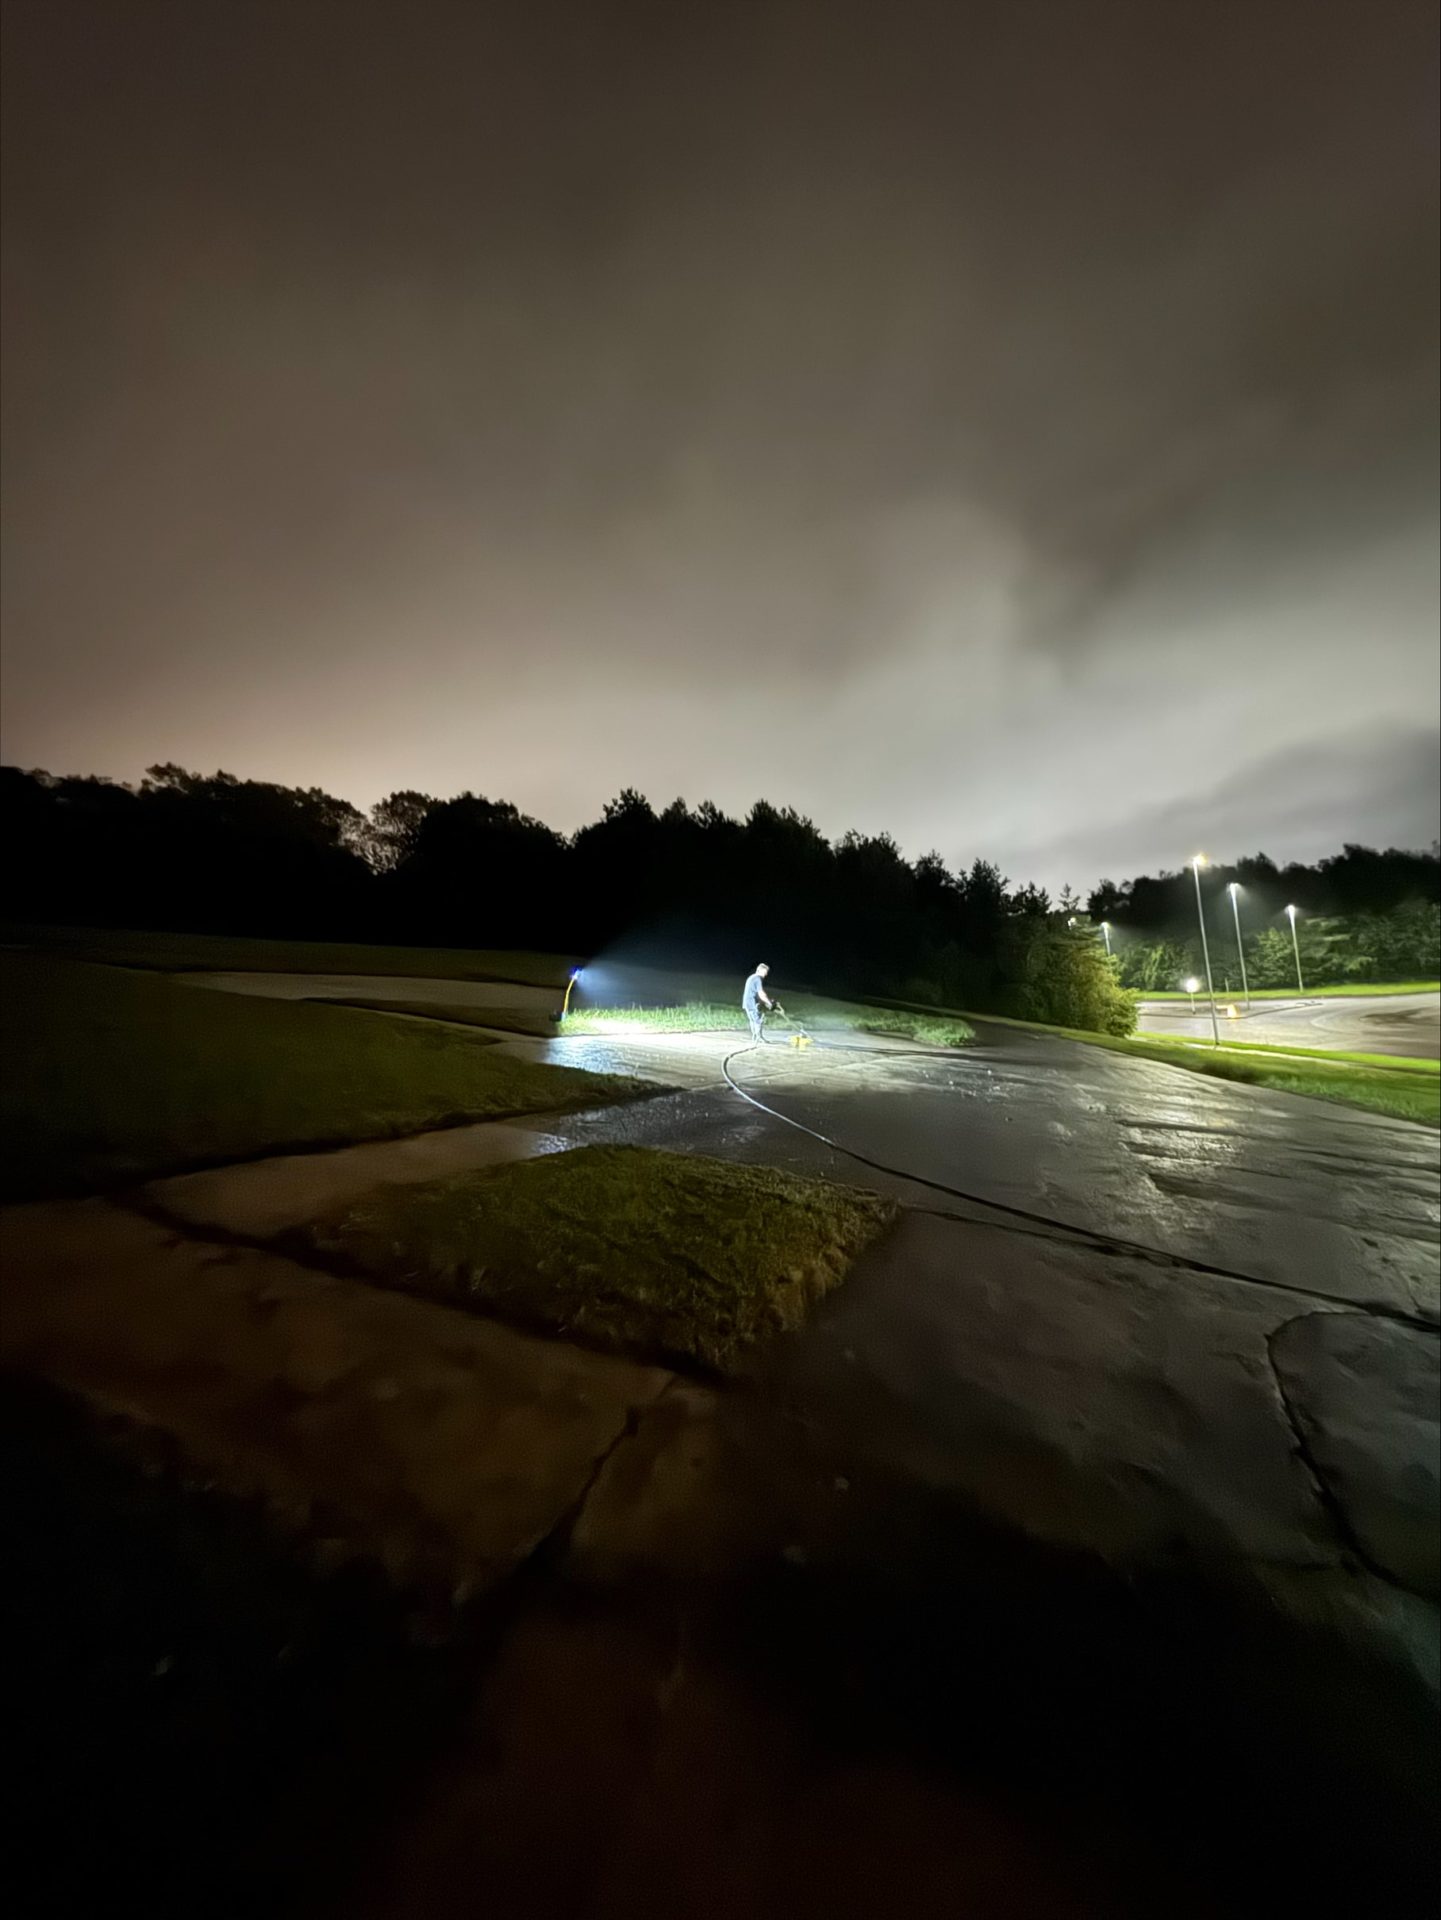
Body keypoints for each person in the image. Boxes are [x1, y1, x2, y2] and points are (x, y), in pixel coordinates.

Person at [742, 962, 774, 1044]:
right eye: (765, 972)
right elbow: (761, 993)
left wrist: (763, 1001)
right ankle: (758, 1038)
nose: (766, 974)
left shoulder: (751, 977)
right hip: (752, 1003)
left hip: (747, 1002)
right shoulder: (757, 979)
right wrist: (769, 1003)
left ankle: (755, 1037)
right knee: (758, 1020)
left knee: (753, 1020)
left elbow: (754, 992)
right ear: (759, 970)